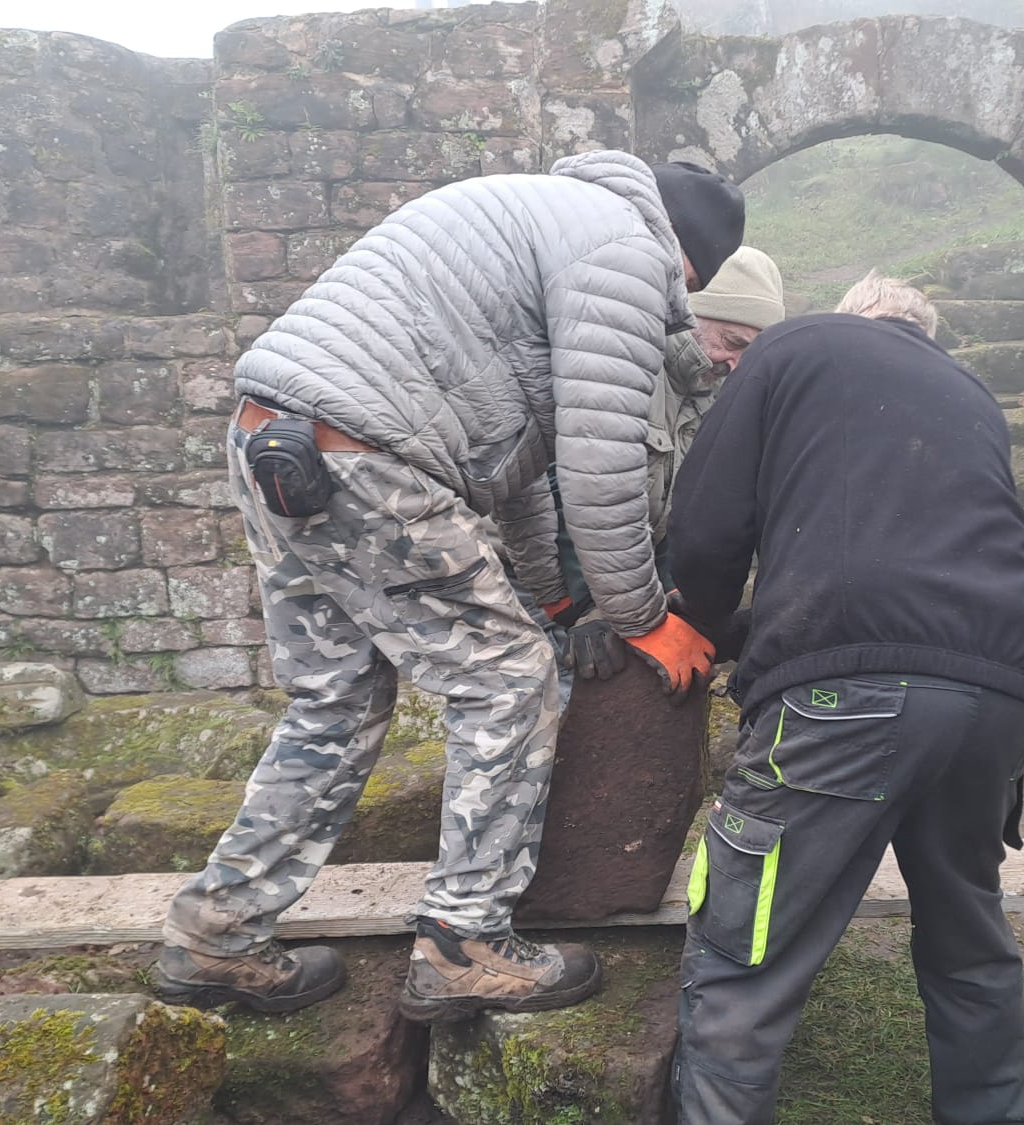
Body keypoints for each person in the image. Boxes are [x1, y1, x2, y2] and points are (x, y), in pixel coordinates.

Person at [155, 152, 744, 1023]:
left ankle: (218, 932)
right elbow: (600, 465)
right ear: (688, 261)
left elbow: (518, 472)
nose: (680, 312)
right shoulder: (625, 249)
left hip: (277, 437)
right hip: (367, 454)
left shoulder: (545, 218)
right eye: (690, 293)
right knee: (511, 680)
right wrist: (643, 617)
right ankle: (465, 943)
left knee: (336, 697)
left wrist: (556, 600)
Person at [665, 272, 1024, 1124]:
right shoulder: (969, 392)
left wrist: (694, 619)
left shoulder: (795, 345)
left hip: (848, 699)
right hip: (1006, 690)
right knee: (968, 938)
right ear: (923, 337)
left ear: (852, 319)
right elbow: (919, 570)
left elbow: (707, 522)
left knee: (744, 955)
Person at [560, 246, 788, 680]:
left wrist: (672, 609)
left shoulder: (714, 398)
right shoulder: (619, 370)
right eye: (732, 342)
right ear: (689, 315)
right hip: (544, 584)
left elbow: (675, 515)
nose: (737, 364)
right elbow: (566, 491)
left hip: (619, 588)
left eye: (752, 353)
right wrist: (583, 608)